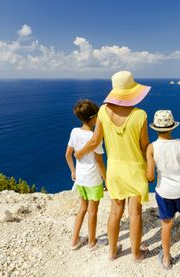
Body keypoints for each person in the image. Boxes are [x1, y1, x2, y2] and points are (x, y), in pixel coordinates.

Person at [74, 71, 150, 262]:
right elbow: (144, 146)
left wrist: (78, 154)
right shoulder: (140, 115)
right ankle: (135, 254)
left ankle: (112, 252)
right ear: (131, 92)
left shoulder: (102, 112)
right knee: (135, 213)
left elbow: (94, 141)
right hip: (135, 169)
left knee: (115, 211)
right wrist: (150, 169)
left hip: (115, 169)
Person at [146, 110, 180, 270]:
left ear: (155, 128)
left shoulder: (151, 148)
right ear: (172, 128)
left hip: (165, 191)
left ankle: (166, 258)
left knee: (167, 223)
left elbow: (150, 176)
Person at [65, 99, 107, 250]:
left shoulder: (74, 132)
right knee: (93, 212)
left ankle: (75, 240)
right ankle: (91, 242)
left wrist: (73, 171)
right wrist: (106, 179)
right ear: (94, 117)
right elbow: (99, 161)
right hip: (93, 180)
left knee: (83, 208)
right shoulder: (94, 138)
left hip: (80, 179)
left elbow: (68, 155)